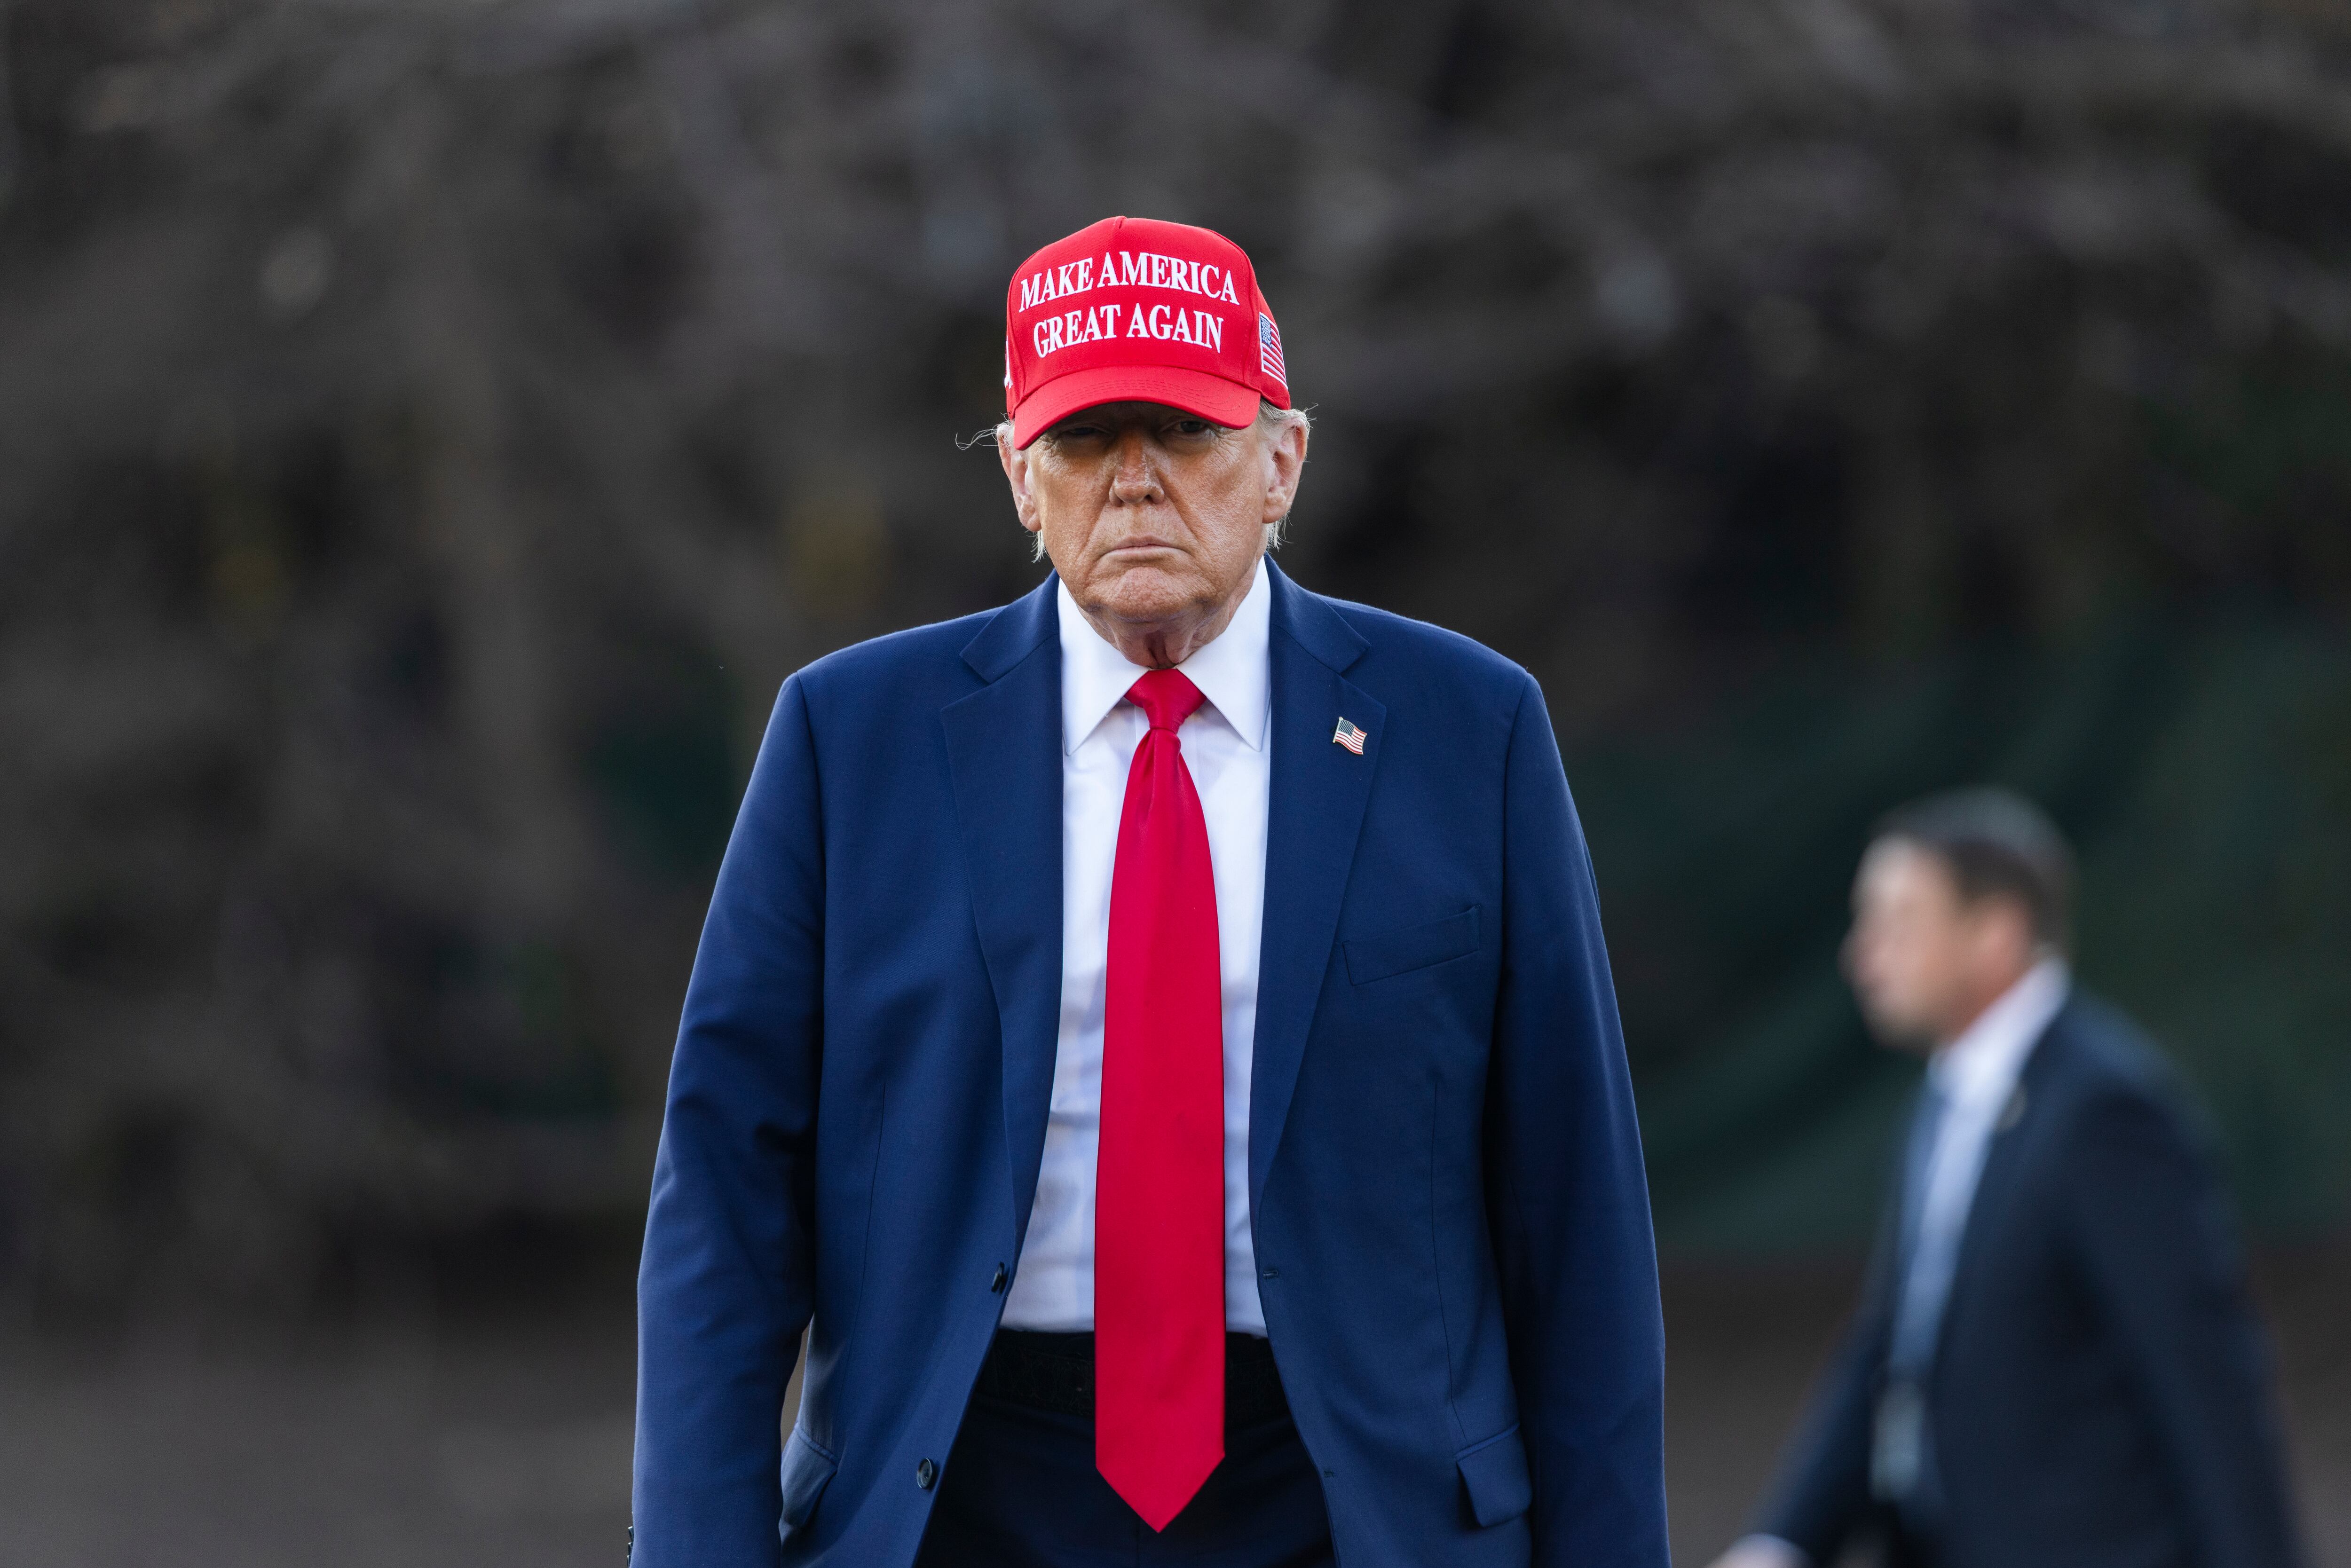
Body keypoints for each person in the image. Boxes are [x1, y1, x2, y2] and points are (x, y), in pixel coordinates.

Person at [628, 215, 1669, 1568]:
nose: (1133, 485)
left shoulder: (1469, 733)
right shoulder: (850, 740)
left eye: (1182, 435)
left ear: (1282, 458)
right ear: (1019, 476)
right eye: (1081, 440)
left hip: (1356, 1504)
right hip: (958, 1498)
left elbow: (1572, 1212)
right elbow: (724, 1195)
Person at [1712, 789, 2304, 1568]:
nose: (1862, 955)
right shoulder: (1945, 1096)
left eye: (1899, 922)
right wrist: (1783, 1541)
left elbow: (2202, 1383)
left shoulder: (2107, 1113)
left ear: (1995, 934)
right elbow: (1894, 1347)